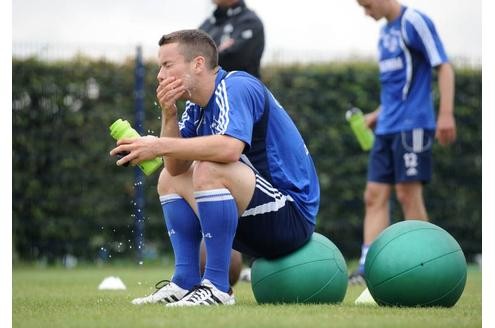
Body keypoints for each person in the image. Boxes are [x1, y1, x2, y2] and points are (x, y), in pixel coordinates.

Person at [110, 29, 319, 306]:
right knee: (167, 179)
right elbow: (175, 169)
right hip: (252, 220)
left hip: (290, 218)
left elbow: (230, 149)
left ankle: (218, 288)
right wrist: (168, 114)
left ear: (197, 64)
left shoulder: (237, 86)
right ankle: (185, 282)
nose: (159, 75)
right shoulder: (195, 107)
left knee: (209, 168)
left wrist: (158, 145)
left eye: (167, 65)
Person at [349, 0, 456, 285]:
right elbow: (397, 90)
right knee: (373, 195)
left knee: (407, 194)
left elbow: (443, 66)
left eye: (368, 5)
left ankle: (427, 264)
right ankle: (366, 267)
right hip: (386, 128)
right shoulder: (384, 33)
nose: (366, 12)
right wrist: (376, 115)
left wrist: (445, 114)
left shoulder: (414, 22)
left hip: (413, 125)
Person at [199, 0, 265, 78]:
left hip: (239, 87)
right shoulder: (209, 22)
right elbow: (190, 52)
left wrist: (205, 54)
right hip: (208, 88)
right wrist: (218, 50)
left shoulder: (250, 21)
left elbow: (234, 58)